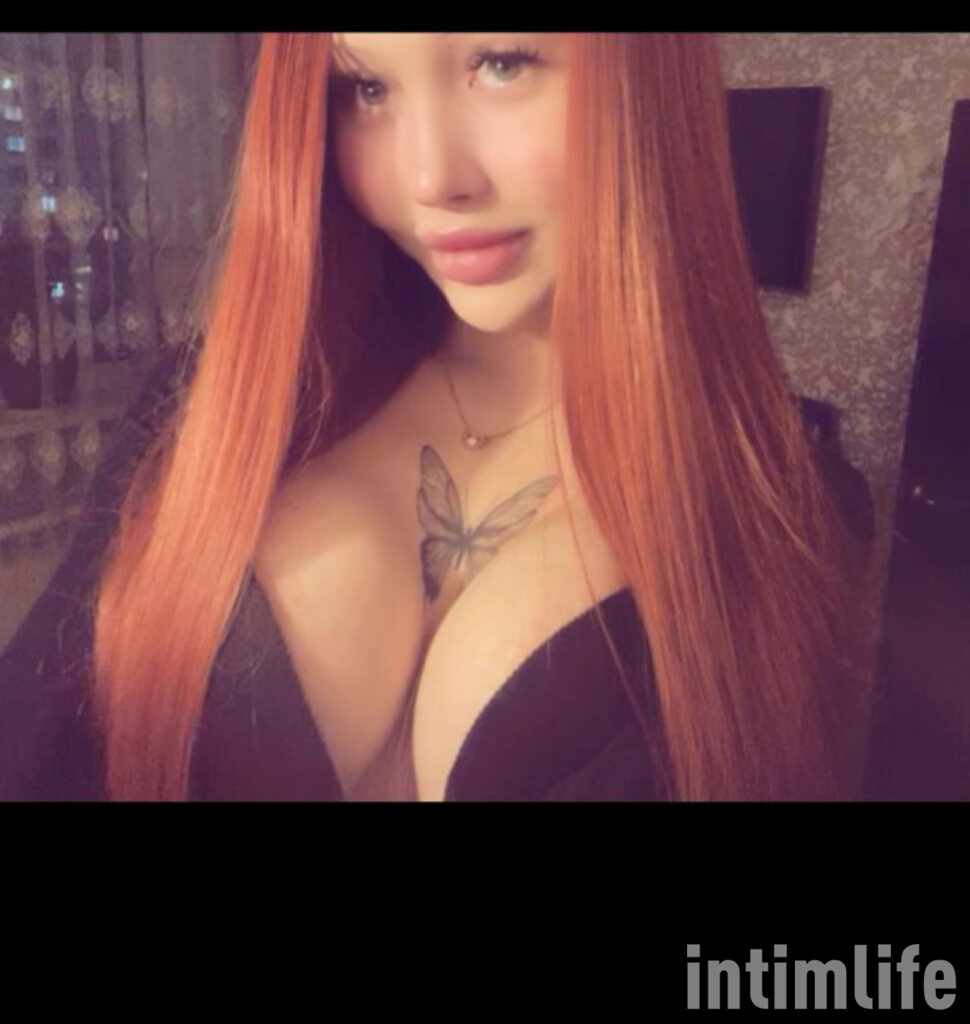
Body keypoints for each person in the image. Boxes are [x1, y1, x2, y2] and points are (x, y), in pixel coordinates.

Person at [0, 33, 874, 802]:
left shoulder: (787, 512)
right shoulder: (217, 406)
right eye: (365, 87)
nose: (429, 178)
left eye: (501, 62)